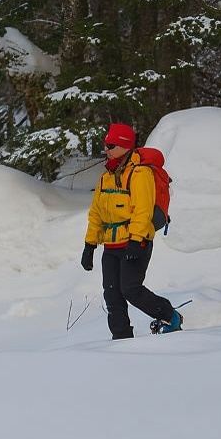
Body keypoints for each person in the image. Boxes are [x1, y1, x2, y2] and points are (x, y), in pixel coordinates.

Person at [81, 122, 182, 339]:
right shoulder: (106, 176)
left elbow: (143, 210)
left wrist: (136, 240)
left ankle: (170, 316)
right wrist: (89, 245)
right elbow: (96, 212)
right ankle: (121, 339)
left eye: (111, 145)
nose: (106, 149)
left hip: (136, 241)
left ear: (125, 146)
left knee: (130, 289)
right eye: (105, 144)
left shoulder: (140, 173)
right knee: (112, 294)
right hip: (111, 244)